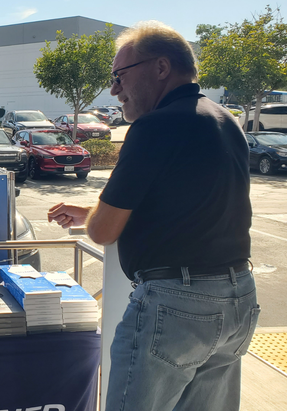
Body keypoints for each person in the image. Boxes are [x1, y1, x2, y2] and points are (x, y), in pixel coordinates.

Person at [48, 21, 258, 411]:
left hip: (178, 308)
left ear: (161, 68)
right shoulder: (223, 119)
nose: (114, 90)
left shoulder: (154, 126)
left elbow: (103, 230)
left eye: (119, 76)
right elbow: (188, 203)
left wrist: (94, 216)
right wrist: (91, 213)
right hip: (238, 299)